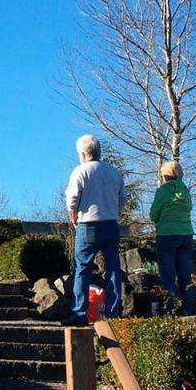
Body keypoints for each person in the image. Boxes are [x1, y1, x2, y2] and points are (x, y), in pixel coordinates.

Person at [64, 134, 126, 326]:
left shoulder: (80, 171)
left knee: (83, 269)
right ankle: (113, 314)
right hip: (111, 224)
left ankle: (79, 314)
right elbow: (122, 198)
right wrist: (114, 212)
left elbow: (72, 200)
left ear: (83, 154)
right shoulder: (114, 172)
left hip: (88, 224)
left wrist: (74, 217)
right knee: (113, 269)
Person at [150, 160, 196, 315]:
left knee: (168, 276)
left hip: (167, 235)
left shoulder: (162, 190)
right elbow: (189, 208)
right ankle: (188, 309)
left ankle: (170, 310)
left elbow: (153, 214)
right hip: (186, 234)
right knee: (185, 275)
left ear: (164, 176)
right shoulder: (185, 190)